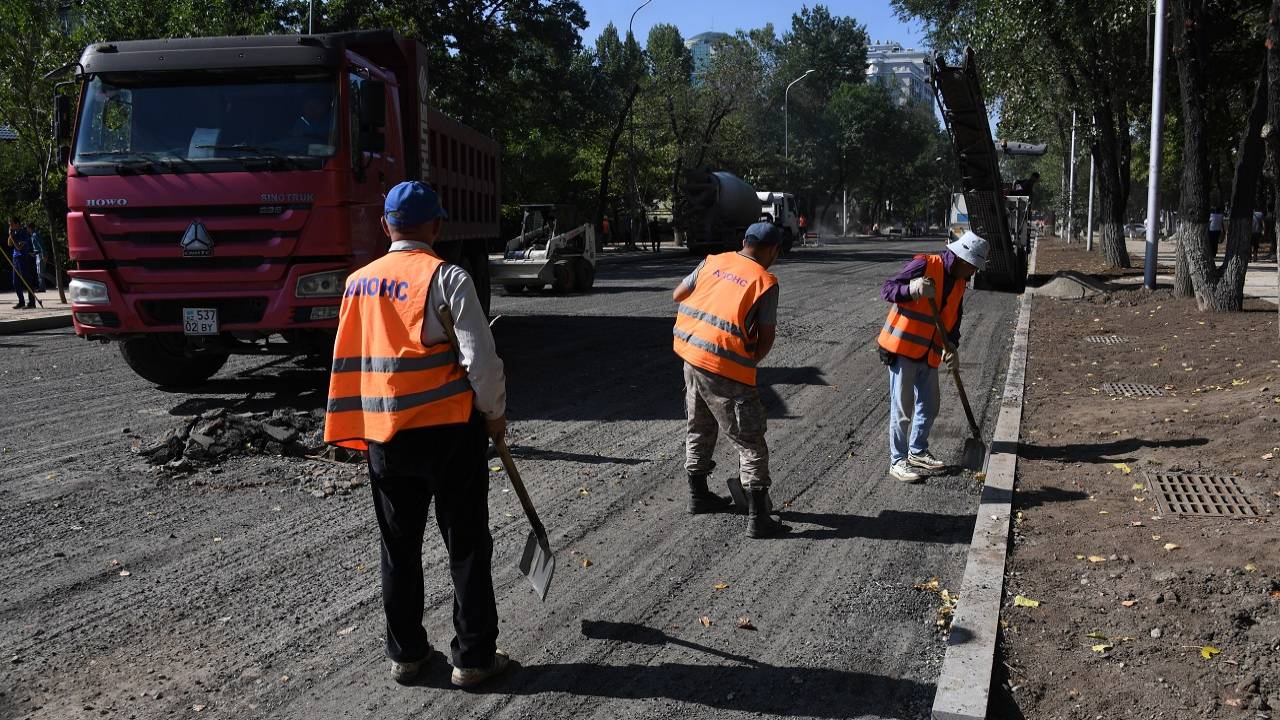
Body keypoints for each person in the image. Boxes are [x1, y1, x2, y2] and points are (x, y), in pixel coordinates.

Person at [323, 181, 510, 688]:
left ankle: (406, 654)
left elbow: (355, 359)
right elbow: (481, 361)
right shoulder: (448, 278)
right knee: (467, 544)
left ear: (386, 226)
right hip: (450, 433)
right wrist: (494, 414)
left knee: (398, 549)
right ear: (437, 226)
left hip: (386, 435)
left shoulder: (358, 283)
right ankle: (472, 658)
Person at [672, 221, 788, 538]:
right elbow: (765, 338)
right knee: (750, 441)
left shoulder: (713, 261)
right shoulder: (765, 281)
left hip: (691, 356)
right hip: (725, 368)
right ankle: (758, 518)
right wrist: (745, 364)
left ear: (744, 241)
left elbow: (678, 294)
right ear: (772, 250)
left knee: (699, 424)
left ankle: (698, 495)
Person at [877, 231, 989, 482]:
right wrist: (912, 289)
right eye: (973, 267)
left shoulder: (960, 283)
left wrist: (953, 347)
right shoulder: (926, 264)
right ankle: (898, 461)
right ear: (962, 259)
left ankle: (917, 451)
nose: (973, 273)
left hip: (929, 352)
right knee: (902, 409)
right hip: (902, 349)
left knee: (929, 404)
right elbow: (888, 289)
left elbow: (954, 321)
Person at [7, 218, 36, 309]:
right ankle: (21, 301)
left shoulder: (24, 233)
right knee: (15, 282)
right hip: (15, 258)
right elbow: (9, 244)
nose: (10, 226)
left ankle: (32, 302)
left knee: (26, 279)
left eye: (11, 224)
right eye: (9, 225)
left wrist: (12, 237)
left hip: (22, 258)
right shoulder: (14, 233)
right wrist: (10, 235)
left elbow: (19, 247)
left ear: (17, 224)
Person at [27, 222, 45, 292]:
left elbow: (41, 245)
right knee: (39, 272)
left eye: (27, 228)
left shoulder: (35, 235)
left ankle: (55, 282)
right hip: (37, 254)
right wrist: (34, 253)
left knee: (41, 272)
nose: (27, 230)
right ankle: (42, 287)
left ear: (30, 228)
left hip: (40, 255)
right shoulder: (33, 235)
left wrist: (43, 255)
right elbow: (37, 247)